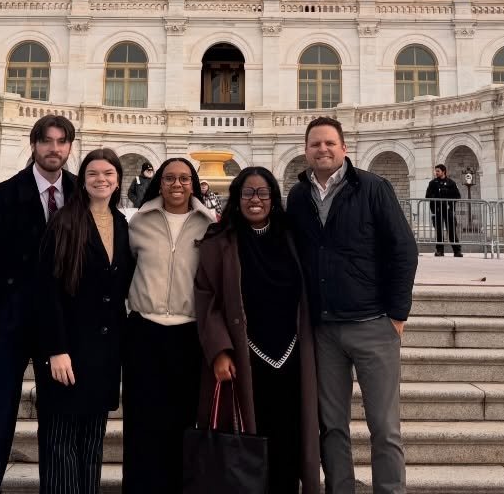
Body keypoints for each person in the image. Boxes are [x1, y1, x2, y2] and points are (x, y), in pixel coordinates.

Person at [287, 116, 418, 494]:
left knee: (384, 426)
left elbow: (404, 250)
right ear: (306, 150)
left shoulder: (373, 187)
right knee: (332, 425)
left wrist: (398, 315)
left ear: (344, 147)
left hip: (373, 323)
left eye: (330, 143)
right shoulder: (298, 196)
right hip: (324, 329)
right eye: (315, 144)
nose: (323, 149)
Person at [0, 115, 77, 494]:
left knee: (56, 419)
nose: (54, 149)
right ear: (34, 145)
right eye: (47, 141)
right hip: (12, 321)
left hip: (60, 327)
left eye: (61, 142)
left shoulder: (80, 194)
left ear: (70, 148)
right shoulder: (2, 194)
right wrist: (1, 308)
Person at [195, 167, 321, 494]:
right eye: (247, 193)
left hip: (292, 355)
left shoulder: (291, 238)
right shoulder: (219, 241)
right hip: (243, 357)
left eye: (263, 193)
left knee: (290, 436)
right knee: (250, 440)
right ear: (236, 199)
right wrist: (220, 350)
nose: (255, 200)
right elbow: (206, 296)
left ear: (273, 199)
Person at [33, 147, 135, 494]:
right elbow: (47, 291)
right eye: (93, 173)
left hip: (105, 352)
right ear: (83, 179)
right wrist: (56, 349)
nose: (101, 180)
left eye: (108, 174)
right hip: (70, 349)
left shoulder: (121, 224)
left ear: (118, 180)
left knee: (93, 443)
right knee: (61, 441)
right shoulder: (65, 220)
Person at [122, 157, 214, 494]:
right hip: (144, 333)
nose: (177, 184)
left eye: (184, 179)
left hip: (189, 335)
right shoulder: (138, 223)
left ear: (194, 183)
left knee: (183, 420)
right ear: (159, 182)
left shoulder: (210, 224)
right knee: (142, 421)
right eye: (170, 178)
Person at [424, 164, 462, 257]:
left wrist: (447, 193)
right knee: (439, 231)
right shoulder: (432, 183)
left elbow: (457, 196)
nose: (436, 173)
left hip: (448, 209)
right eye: (435, 171)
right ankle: (440, 251)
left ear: (443, 171)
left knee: (452, 230)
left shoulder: (451, 183)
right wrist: (436, 197)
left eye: (438, 171)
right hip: (437, 210)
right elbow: (428, 196)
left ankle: (457, 251)